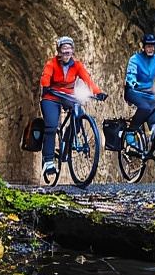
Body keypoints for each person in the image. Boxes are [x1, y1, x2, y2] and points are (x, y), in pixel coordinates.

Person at [39, 36, 106, 180]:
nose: (66, 53)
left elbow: (87, 79)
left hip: (68, 96)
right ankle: (49, 161)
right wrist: (45, 85)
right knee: (51, 126)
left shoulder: (77, 65)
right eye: (64, 50)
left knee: (79, 115)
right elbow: (46, 76)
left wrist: (97, 92)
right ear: (59, 51)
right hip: (51, 96)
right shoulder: (52, 63)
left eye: (69, 50)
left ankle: (67, 143)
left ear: (72, 51)